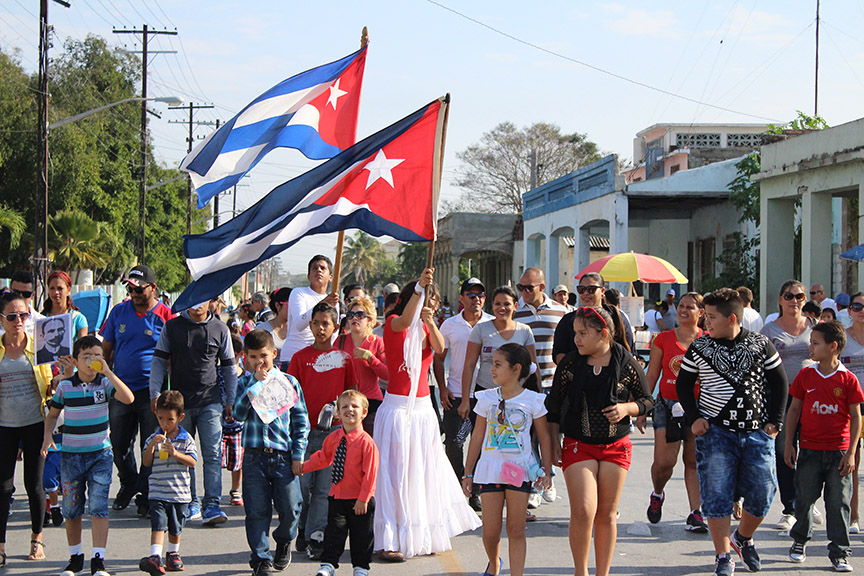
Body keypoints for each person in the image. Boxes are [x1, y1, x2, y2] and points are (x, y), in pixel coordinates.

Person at [677, 288, 788, 576]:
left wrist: (775, 422)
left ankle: (743, 538)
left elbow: (780, 383)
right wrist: (694, 418)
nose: (706, 323)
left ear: (733, 318)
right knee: (716, 496)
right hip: (716, 435)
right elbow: (683, 385)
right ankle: (723, 555)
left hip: (756, 433)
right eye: (705, 316)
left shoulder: (761, 344)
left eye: (711, 317)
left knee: (764, 492)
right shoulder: (700, 348)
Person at [375, 269, 481, 561]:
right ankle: (390, 539)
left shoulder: (426, 326)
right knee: (396, 474)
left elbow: (440, 348)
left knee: (424, 472)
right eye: (427, 298)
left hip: (423, 411)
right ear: (413, 299)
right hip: (397, 409)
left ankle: (425, 532)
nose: (432, 302)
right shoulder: (392, 323)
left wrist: (431, 321)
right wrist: (420, 291)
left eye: (434, 299)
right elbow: (405, 321)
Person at [546, 306, 653, 576]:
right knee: (583, 509)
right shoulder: (570, 364)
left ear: (603, 333)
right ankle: (580, 572)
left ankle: (602, 573)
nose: (576, 339)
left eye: (582, 334)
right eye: (575, 333)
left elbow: (648, 401)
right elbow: (554, 408)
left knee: (606, 514)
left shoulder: (627, 362)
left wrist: (628, 409)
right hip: (577, 443)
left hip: (616, 446)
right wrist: (551, 446)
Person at [42, 335, 135, 576]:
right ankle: (75, 557)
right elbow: (53, 414)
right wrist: (47, 437)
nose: (92, 360)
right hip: (71, 456)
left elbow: (128, 397)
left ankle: (98, 560)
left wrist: (108, 372)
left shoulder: (104, 384)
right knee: (72, 509)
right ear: (76, 360)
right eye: (87, 356)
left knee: (98, 508)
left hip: (100, 455)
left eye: (97, 356)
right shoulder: (65, 386)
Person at [461, 344, 553, 576]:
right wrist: (468, 472)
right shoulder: (486, 398)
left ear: (516, 369)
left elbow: (543, 436)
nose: (491, 369)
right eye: (492, 364)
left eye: (497, 364)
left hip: (518, 471)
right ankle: (494, 563)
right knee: (490, 532)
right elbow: (478, 436)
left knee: (516, 529)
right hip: (489, 469)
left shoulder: (534, 400)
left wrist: (547, 469)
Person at [149, 300, 237, 526]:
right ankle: (190, 502)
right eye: (193, 299)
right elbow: (158, 361)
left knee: (213, 454)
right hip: (179, 405)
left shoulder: (220, 329)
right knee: (182, 455)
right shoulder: (172, 327)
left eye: (203, 299)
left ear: (212, 301)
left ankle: (212, 504)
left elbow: (229, 367)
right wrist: (154, 393)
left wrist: (230, 399)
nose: (197, 305)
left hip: (211, 402)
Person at [785, 321, 862, 572]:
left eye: (816, 343)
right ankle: (799, 540)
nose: (811, 347)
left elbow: (856, 416)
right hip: (809, 449)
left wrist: (851, 452)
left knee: (838, 502)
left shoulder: (848, 379)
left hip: (839, 452)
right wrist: (789, 443)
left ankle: (839, 552)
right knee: (805, 497)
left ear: (833, 347)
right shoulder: (806, 375)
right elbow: (794, 409)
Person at [234, 329, 309, 576]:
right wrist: (254, 385)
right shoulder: (244, 382)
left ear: (274, 354)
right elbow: (237, 414)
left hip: (283, 456)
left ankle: (284, 540)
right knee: (257, 510)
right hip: (255, 456)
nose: (259, 362)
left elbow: (301, 421)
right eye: (253, 357)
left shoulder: (288, 382)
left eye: (263, 356)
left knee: (291, 507)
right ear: (246, 358)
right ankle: (260, 558)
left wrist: (298, 455)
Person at [101, 264, 174, 515]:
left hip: (151, 392)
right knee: (118, 444)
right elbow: (105, 350)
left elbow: (172, 358)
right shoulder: (118, 312)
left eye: (139, 288)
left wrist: (169, 393)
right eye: (130, 288)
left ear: (152, 287)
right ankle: (128, 483)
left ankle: (145, 493)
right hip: (121, 389)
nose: (134, 293)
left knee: (150, 446)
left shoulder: (166, 315)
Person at [286, 302, 357, 560]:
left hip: (333, 434)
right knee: (301, 489)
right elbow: (289, 396)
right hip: (303, 434)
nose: (320, 328)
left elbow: (352, 393)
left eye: (326, 323)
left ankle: (317, 535)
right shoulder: (299, 358)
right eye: (316, 322)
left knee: (323, 489)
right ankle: (303, 528)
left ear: (336, 327)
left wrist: (343, 411)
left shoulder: (344, 359)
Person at [641, 292, 707, 531]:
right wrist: (642, 407)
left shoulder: (709, 340)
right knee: (664, 463)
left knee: (693, 461)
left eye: (690, 307)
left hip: (699, 408)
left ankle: (695, 512)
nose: (684, 310)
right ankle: (657, 493)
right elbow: (652, 374)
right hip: (668, 406)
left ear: (701, 313)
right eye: (681, 306)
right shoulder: (664, 339)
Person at [0, 291, 54, 565]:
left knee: (34, 485)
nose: (19, 321)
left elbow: (52, 387)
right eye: (12, 317)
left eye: (23, 315)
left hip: (34, 424)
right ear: (2, 320)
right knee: (3, 487)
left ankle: (37, 539)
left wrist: (61, 377)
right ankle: (0, 546)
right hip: (4, 427)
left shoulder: (40, 347)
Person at [303, 390, 379, 576]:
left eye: (355, 406)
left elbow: (370, 474)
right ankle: (328, 565)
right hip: (337, 496)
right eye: (344, 406)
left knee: (361, 535)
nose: (349, 410)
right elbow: (323, 458)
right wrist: (302, 467)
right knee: (334, 534)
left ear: (364, 412)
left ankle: (361, 568)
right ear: (337, 412)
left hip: (360, 499)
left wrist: (363, 499)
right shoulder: (333, 438)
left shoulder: (366, 443)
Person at [760, 280, 814, 532]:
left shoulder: (814, 328)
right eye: (789, 296)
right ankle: (790, 508)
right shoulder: (769, 330)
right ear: (780, 300)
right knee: (785, 451)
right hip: (781, 398)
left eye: (799, 296)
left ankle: (808, 499)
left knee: (811, 452)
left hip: (812, 398)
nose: (794, 300)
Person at [434, 278, 493, 499]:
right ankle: (458, 488)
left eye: (480, 295)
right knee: (454, 442)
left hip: (485, 393)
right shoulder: (449, 325)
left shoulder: (492, 323)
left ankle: (475, 490)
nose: (476, 299)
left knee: (482, 444)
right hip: (457, 394)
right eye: (471, 294)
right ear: (461, 298)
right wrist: (442, 388)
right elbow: (439, 359)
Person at [514, 268, 566, 507]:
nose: (524, 292)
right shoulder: (516, 313)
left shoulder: (562, 312)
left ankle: (549, 477)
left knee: (551, 436)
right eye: (520, 287)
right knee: (529, 436)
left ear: (542, 287)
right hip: (527, 386)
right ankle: (537, 483)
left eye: (529, 288)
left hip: (554, 385)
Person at [138, 390, 198, 575]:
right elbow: (146, 462)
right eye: (161, 418)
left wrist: (175, 453)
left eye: (170, 420)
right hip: (157, 490)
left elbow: (193, 461)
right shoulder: (153, 438)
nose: (165, 424)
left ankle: (173, 553)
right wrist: (151, 446)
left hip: (179, 492)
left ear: (180, 417)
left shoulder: (186, 439)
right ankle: (155, 556)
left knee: (176, 525)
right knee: (158, 523)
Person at [553, 273, 635, 365]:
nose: (586, 293)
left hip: (613, 374)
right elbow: (559, 353)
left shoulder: (616, 317)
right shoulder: (568, 320)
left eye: (591, 289)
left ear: (602, 291)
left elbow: (629, 351)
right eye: (581, 290)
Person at [337, 297, 386, 437]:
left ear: (369, 320)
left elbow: (387, 375)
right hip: (347, 403)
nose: (355, 318)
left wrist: (371, 358)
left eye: (360, 315)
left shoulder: (377, 342)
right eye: (351, 315)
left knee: (369, 446)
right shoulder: (340, 341)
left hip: (371, 404)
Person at [280, 255, 340, 367]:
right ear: (308, 276)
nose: (318, 270)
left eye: (323, 268)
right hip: (293, 356)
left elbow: (333, 334)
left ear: (330, 276)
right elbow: (299, 324)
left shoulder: (334, 302)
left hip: (319, 360)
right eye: (314, 268)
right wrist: (323, 303)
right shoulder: (299, 293)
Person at [841, 292, 864, 534]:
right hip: (850, 406)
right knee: (852, 462)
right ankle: (853, 514)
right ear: (849, 311)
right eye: (857, 306)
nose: (861, 311)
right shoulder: (843, 339)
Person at [223, 334, 246, 507]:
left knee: (237, 462)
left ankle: (235, 489)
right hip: (220, 425)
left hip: (239, 426)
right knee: (216, 460)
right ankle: (214, 492)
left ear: (240, 354)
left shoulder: (245, 377)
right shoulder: (217, 374)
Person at [42, 271, 88, 341]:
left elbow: (82, 348)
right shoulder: (42, 318)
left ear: (68, 289)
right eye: (52, 288)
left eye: (60, 288)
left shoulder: (78, 318)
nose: (56, 292)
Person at [0, 269, 44, 337]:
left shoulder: (42, 322)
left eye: (26, 294)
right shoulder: (2, 318)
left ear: (33, 295)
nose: (20, 297)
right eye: (16, 293)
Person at [256, 288, 292, 356]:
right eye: (290, 305)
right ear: (278, 305)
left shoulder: (301, 331)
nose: (294, 309)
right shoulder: (262, 330)